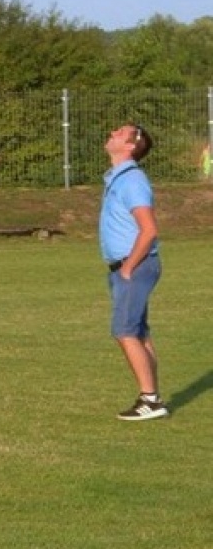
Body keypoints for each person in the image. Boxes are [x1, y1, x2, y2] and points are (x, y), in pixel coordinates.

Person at [101, 124, 168, 421]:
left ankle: (149, 400)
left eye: (119, 132)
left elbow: (149, 229)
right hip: (128, 266)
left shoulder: (132, 180)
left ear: (130, 146)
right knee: (138, 332)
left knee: (124, 331)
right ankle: (152, 396)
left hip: (135, 265)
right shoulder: (119, 179)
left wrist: (128, 267)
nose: (112, 133)